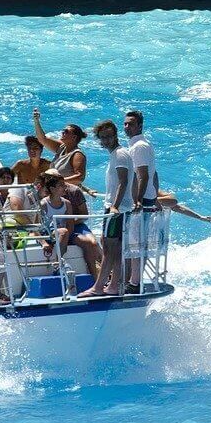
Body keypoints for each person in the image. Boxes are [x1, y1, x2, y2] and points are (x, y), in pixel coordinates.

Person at [79, 119, 133, 297]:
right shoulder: (116, 154)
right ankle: (114, 285)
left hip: (116, 209)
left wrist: (114, 207)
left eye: (110, 136)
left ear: (116, 135)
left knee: (109, 248)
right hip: (117, 208)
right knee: (114, 248)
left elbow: (123, 182)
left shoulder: (120, 155)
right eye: (103, 137)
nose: (107, 140)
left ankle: (98, 287)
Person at [39, 171, 101, 280]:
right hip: (49, 233)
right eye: (61, 186)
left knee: (87, 243)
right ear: (52, 189)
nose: (65, 187)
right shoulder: (44, 204)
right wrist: (43, 242)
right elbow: (38, 227)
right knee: (63, 231)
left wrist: (67, 237)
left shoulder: (67, 203)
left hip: (66, 233)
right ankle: (57, 264)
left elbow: (70, 224)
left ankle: (94, 278)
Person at [123, 109, 160, 290]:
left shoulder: (139, 147)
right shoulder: (142, 145)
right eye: (125, 123)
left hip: (141, 200)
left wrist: (137, 200)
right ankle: (132, 280)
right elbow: (154, 174)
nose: (127, 127)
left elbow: (143, 176)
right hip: (147, 198)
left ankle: (134, 282)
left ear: (140, 126)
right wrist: (156, 195)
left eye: (131, 124)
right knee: (137, 242)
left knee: (136, 243)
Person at [32, 108, 89, 188]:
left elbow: (80, 177)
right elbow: (42, 139)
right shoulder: (61, 147)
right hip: (55, 191)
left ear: (74, 137)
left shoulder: (77, 155)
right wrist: (36, 121)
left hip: (67, 192)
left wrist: (57, 182)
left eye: (66, 132)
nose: (62, 132)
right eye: (63, 131)